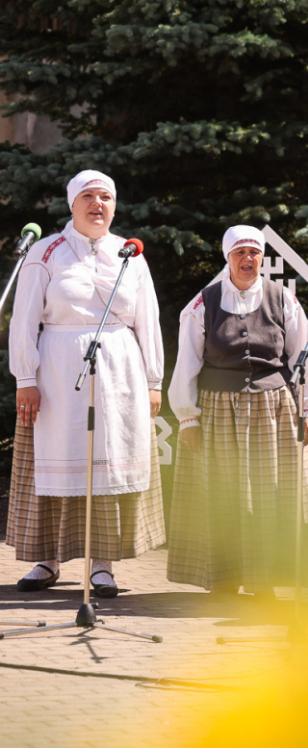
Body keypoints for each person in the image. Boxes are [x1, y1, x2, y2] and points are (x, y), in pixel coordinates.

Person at [8, 170, 165, 597]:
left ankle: (102, 565)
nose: (99, 204)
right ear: (72, 204)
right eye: (89, 197)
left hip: (119, 372)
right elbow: (24, 318)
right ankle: (48, 559)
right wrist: (25, 377)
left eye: (107, 197)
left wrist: (154, 380)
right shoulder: (47, 252)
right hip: (57, 371)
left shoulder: (129, 254)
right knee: (56, 461)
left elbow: (147, 321)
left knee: (106, 464)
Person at [166, 225, 308, 595]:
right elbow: (187, 362)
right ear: (227, 257)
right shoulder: (204, 302)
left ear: (262, 258)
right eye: (240, 253)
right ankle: (224, 577)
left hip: (274, 409)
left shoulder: (283, 299)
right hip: (219, 409)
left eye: (254, 253)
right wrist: (187, 417)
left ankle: (265, 579)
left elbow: (305, 359)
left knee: (270, 494)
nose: (248, 260)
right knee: (223, 493)